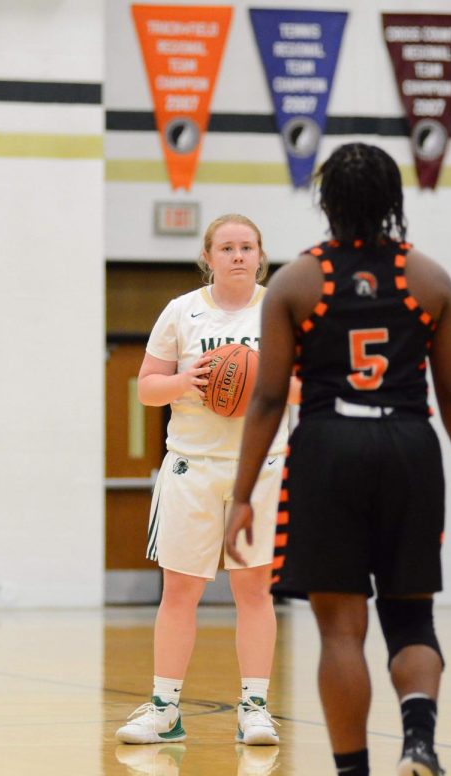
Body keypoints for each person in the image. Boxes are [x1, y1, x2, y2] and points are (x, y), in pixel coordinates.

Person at [225, 143, 451, 776]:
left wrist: (242, 493)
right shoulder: (429, 279)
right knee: (411, 618)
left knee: (341, 629)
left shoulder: (295, 283)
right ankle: (420, 738)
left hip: (329, 447)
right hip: (410, 443)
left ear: (327, 202)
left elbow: (263, 403)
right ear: (393, 200)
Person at [116, 213, 299, 747]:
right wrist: (184, 380)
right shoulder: (182, 312)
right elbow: (147, 387)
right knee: (180, 591)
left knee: (254, 590)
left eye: (247, 246)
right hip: (191, 465)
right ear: (208, 257)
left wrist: (265, 381)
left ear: (261, 255)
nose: (238, 255)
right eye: (227, 247)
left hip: (262, 467)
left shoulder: (281, 311)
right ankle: (165, 709)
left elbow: (307, 390)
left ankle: (256, 709)